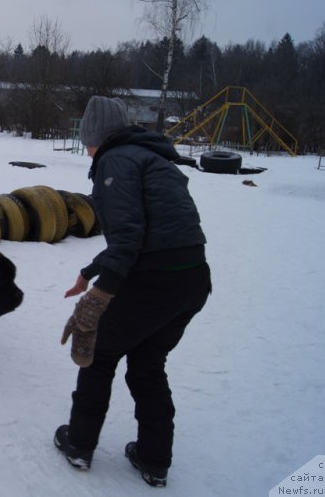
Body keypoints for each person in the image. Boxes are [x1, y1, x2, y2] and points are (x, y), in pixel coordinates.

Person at [54, 96, 211, 488]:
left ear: (98, 136)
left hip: (154, 281)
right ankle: (154, 459)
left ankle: (79, 443)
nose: (88, 150)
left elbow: (128, 238)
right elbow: (144, 236)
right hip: (191, 281)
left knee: (99, 352)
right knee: (147, 362)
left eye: (88, 140)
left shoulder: (115, 161)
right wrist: (89, 271)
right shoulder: (149, 158)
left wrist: (99, 297)